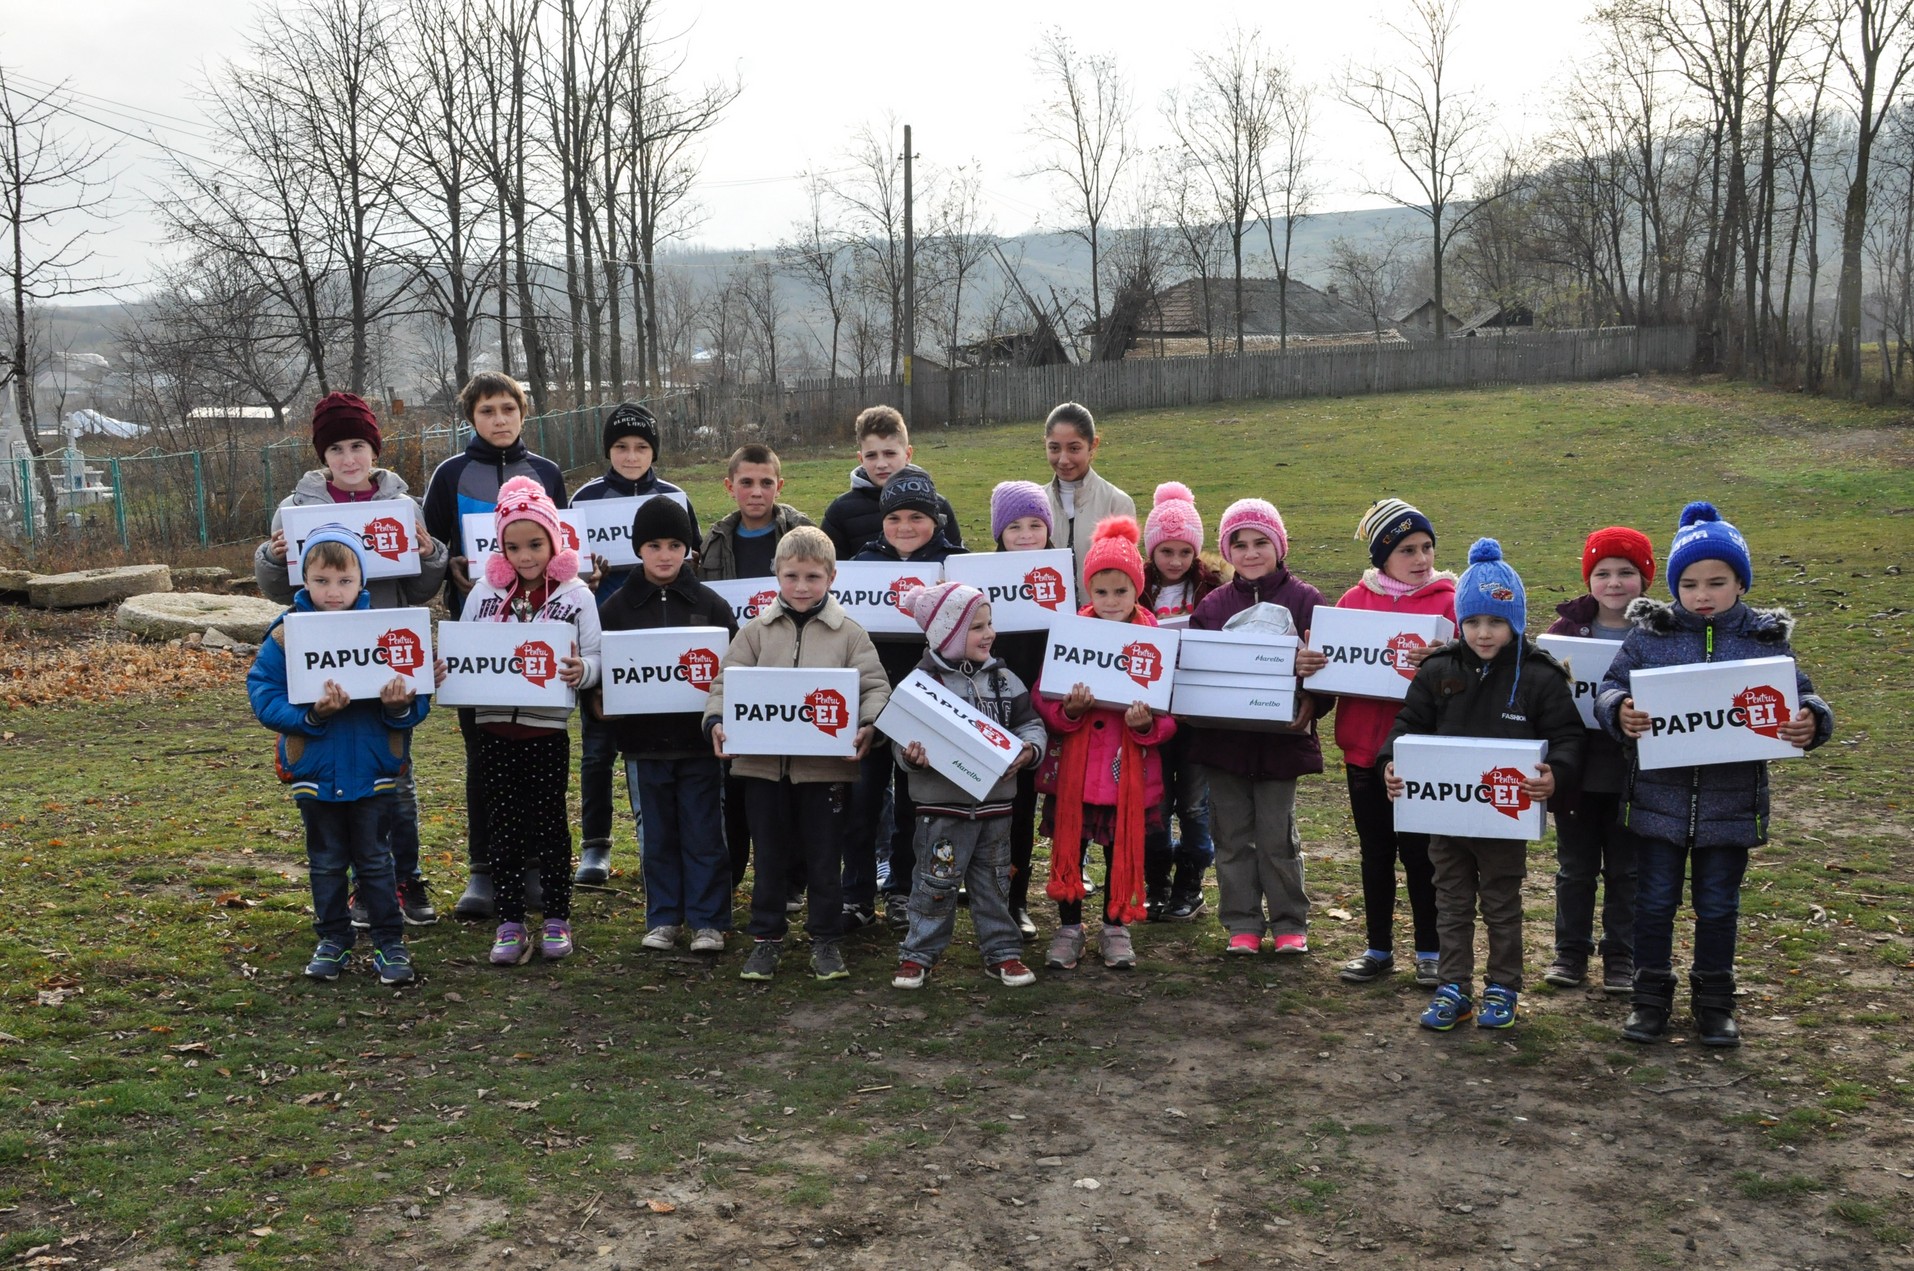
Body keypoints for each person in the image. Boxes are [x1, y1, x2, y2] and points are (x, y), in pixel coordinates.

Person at [1597, 502, 1833, 1048]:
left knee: (1719, 906)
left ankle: (1715, 1002)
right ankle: (1649, 997)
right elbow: (1609, 687)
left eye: (1717, 582)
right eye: (1691, 582)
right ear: (1675, 585)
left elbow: (1803, 695)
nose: (1703, 594)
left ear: (1740, 584)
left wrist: (1811, 720)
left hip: (1731, 805)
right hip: (1658, 802)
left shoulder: (1762, 640)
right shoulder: (1649, 637)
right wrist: (1619, 710)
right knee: (1654, 903)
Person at [253, 392, 448, 926]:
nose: (348, 458)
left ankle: (403, 879)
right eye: (336, 448)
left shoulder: (402, 506)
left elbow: (421, 585)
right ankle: (358, 891)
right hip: (324, 663)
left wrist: (431, 553)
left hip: (387, 659)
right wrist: (270, 558)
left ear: (374, 449)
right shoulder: (295, 511)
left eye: (358, 445)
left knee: (395, 779)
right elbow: (277, 590)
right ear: (323, 456)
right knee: (337, 782)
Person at [1381, 539, 1586, 1032]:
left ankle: (1503, 986)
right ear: (1460, 622)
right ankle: (1454, 985)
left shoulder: (1539, 677)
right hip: (1444, 814)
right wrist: (1391, 762)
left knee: (1500, 900)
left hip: (1504, 814)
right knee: (1449, 899)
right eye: (1473, 622)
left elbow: (1568, 736)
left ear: (1514, 621)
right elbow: (1407, 725)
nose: (1483, 632)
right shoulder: (1437, 670)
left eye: (1495, 621)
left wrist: (1556, 772)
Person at [703, 527, 890, 982]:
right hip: (762, 770)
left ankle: (825, 941)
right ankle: (766, 939)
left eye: (812, 576)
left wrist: (869, 726)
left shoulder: (850, 635)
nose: (802, 587)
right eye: (791, 576)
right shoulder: (754, 632)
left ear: (832, 576)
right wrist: (716, 721)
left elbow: (875, 687)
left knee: (825, 859)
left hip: (825, 772)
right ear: (776, 575)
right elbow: (724, 683)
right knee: (768, 857)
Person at [247, 524, 426, 987]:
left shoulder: (388, 631)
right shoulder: (287, 635)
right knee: (326, 862)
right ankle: (332, 939)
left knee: (375, 861)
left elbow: (418, 698)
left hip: (374, 771)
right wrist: (309, 717)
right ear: (304, 580)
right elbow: (263, 691)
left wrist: (399, 705)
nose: (333, 591)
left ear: (361, 582)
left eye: (344, 581)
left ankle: (390, 942)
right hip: (316, 771)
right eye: (322, 580)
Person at [421, 372, 569, 921]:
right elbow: (431, 549)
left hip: (541, 640)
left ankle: (534, 867)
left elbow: (561, 544)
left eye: (508, 408)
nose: (499, 419)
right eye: (488, 411)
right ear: (471, 418)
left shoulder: (548, 473)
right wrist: (449, 566)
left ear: (524, 413)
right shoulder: (450, 474)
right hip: (477, 638)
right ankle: (484, 871)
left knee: (539, 752)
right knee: (484, 755)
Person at [451, 476, 602, 966]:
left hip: (546, 730)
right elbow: (465, 652)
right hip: (492, 729)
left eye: (535, 544)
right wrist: (446, 667)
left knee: (551, 824)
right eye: (512, 547)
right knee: (504, 828)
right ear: (500, 548)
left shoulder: (578, 595)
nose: (525, 556)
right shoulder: (483, 593)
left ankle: (557, 916)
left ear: (555, 541)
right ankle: (511, 921)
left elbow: (596, 657)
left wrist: (584, 672)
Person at [1185, 498, 1332, 954]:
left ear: (1279, 544)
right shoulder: (1211, 607)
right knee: (1230, 838)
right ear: (1227, 551)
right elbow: (1193, 672)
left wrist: (1313, 694)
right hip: (1224, 745)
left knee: (1276, 836)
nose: (1251, 553)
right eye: (1240, 544)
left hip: (1280, 744)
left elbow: (1328, 669)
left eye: (1261, 542)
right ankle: (1241, 923)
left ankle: (1290, 921)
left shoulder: (1306, 601)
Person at [888, 583, 1047, 990]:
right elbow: (898, 739)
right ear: (947, 635)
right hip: (941, 812)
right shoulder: (921, 685)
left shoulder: (1007, 680)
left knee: (994, 884)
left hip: (996, 809)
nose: (989, 633)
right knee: (934, 884)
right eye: (977, 627)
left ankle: (1003, 953)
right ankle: (917, 955)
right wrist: (911, 756)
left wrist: (1029, 750)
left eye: (989, 623)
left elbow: (1030, 724)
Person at [597, 497, 739, 954]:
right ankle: (662, 917)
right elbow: (602, 675)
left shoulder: (712, 606)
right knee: (654, 836)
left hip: (698, 746)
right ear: (639, 548)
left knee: (704, 834)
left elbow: (732, 672)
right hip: (642, 747)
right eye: (654, 544)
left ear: (689, 549)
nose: (664, 554)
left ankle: (708, 921)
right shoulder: (616, 610)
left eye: (675, 544)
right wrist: (601, 704)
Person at [1036, 516, 1177, 972]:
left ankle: (1116, 926)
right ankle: (1070, 927)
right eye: (1101, 592)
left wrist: (1143, 726)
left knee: (1121, 849)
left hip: (1126, 773)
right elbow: (1045, 694)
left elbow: (1170, 714)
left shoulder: (1155, 639)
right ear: (1087, 593)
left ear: (1138, 589)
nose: (1111, 601)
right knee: (1071, 847)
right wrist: (1070, 711)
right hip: (1076, 774)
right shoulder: (1071, 635)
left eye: (1121, 591)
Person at [568, 402, 698, 886]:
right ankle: (596, 844)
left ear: (654, 451)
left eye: (641, 447)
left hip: (665, 641)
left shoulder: (675, 496)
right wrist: (587, 575)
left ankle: (664, 843)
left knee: (663, 746)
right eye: (621, 447)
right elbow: (568, 568)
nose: (631, 455)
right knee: (598, 747)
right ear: (608, 451)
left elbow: (691, 562)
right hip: (605, 637)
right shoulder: (586, 498)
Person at [1332, 498, 1457, 989]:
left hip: (1424, 753)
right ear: (1383, 555)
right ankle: (1378, 948)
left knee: (1423, 855)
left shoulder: (1450, 601)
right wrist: (1314, 662)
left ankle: (1430, 950)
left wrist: (1447, 659)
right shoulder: (1351, 603)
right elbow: (1333, 664)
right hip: (1365, 751)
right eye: (1408, 549)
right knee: (1375, 853)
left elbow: (1481, 660)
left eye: (1427, 547)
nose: (1422, 558)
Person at [846, 465, 969, 929]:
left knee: (913, 809)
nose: (905, 528)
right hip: (870, 700)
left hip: (929, 704)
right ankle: (854, 894)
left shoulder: (956, 566)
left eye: (917, 517)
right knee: (862, 802)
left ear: (936, 520)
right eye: (895, 518)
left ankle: (902, 892)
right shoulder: (859, 567)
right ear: (882, 521)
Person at [695, 443, 815, 891]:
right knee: (739, 783)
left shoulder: (801, 531)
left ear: (779, 486)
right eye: (746, 482)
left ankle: (791, 881)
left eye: (766, 482)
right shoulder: (714, 540)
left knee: (791, 785)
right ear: (730, 487)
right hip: (739, 673)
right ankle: (735, 876)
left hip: (793, 674)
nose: (756, 491)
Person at [1541, 525, 1655, 994]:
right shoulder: (1564, 632)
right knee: (1575, 867)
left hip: (1639, 775)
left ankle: (1620, 957)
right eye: (1602, 572)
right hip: (1578, 773)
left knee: (1627, 871)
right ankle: (1570, 952)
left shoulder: (1662, 632)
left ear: (1644, 579)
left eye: (1626, 572)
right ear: (1588, 579)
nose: (1614, 583)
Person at [1139, 482, 1225, 921]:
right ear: (1150, 551)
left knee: (1194, 802)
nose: (1175, 561)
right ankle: (1156, 882)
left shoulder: (1213, 591)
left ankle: (1190, 883)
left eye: (1184, 552)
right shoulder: (1134, 589)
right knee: (1155, 800)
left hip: (1195, 716)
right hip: (1149, 717)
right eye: (1165, 551)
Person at [986, 479, 1056, 939]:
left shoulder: (1061, 575)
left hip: (1039, 714)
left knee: (1024, 804)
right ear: (999, 533)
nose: (1027, 534)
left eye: (1035, 524)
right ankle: (980, 895)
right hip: (989, 706)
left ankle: (1015, 900)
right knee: (985, 808)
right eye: (1015, 526)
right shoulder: (981, 577)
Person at [821, 405, 963, 559]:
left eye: (890, 454)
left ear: (908, 454)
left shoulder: (938, 505)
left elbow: (956, 564)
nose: (881, 464)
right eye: (871, 456)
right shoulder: (840, 511)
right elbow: (827, 571)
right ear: (860, 459)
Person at [1042, 402, 1137, 587]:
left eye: (1074, 448)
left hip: (1101, 614)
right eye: (1054, 448)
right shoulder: (1034, 503)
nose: (1063, 459)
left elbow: (1127, 578)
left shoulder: (1117, 503)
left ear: (1093, 445)